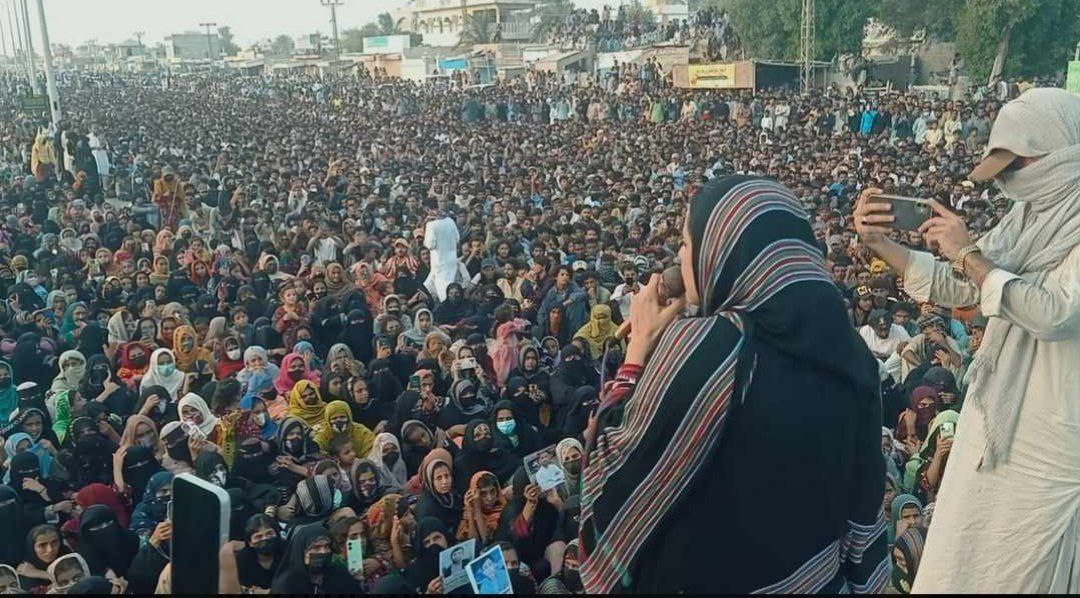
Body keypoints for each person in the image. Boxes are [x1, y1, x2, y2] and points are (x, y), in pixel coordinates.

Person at [580, 177, 886, 593]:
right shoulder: (851, 351)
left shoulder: (710, 345)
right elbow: (863, 502)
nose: (681, 259)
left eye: (688, 244)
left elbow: (612, 465)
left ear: (721, 254)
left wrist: (637, 354)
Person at [854, 88, 1080, 593]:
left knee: (1029, 566)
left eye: (1017, 165)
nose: (1009, 181)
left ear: (1059, 149)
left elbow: (1054, 312)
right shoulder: (1029, 216)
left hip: (1055, 428)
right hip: (998, 418)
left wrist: (968, 255)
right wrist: (881, 244)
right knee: (964, 555)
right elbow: (963, 284)